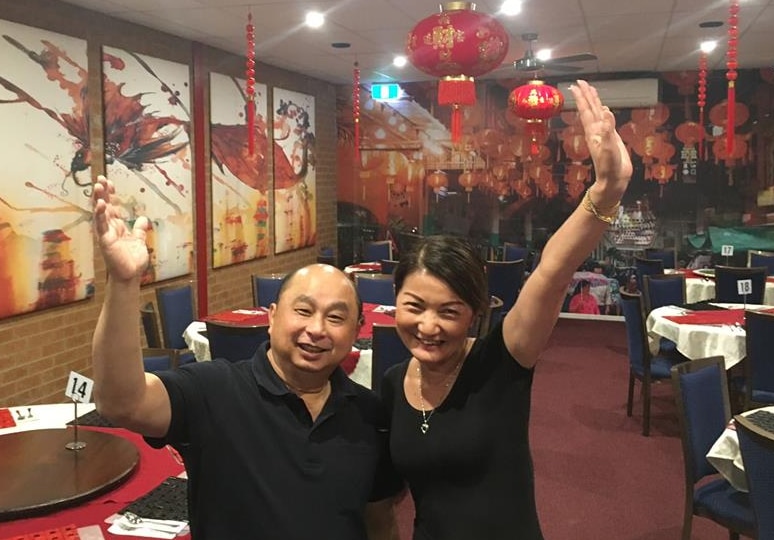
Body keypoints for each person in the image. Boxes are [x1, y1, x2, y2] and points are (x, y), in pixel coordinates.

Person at [381, 79, 632, 540]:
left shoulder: (502, 360)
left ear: (475, 313)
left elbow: (552, 272)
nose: (428, 325)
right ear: (394, 303)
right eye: (414, 306)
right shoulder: (393, 383)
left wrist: (608, 188)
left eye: (449, 311)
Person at [91, 175, 402, 540]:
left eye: (336, 317)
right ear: (271, 317)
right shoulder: (214, 391)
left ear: (354, 332)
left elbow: (379, 521)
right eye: (302, 311)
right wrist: (125, 282)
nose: (317, 329)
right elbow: (122, 402)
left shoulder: (369, 414)